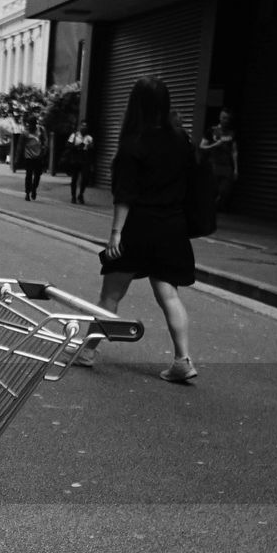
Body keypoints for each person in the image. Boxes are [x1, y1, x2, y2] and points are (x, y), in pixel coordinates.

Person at [74, 76, 198, 383]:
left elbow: (125, 195)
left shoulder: (133, 144)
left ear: (135, 105)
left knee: (111, 295)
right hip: (172, 227)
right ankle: (183, 359)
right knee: (168, 294)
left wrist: (116, 233)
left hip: (139, 228)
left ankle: (88, 352)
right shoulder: (181, 140)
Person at [199, 109, 238, 211]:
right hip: (214, 164)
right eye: (224, 118)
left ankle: (214, 206)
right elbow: (202, 146)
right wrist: (214, 145)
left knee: (225, 191)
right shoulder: (211, 130)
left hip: (227, 166)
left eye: (228, 118)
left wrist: (236, 169)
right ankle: (209, 209)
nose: (226, 120)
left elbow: (234, 151)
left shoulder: (231, 133)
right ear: (220, 118)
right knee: (212, 190)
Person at [18, 115, 47, 200]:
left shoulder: (41, 130)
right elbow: (20, 145)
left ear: (35, 124)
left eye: (33, 124)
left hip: (38, 157)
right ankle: (27, 193)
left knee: (37, 175)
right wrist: (18, 157)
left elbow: (45, 141)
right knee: (29, 175)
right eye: (30, 124)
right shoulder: (25, 133)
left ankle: (34, 189)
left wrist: (44, 149)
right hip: (29, 157)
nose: (31, 126)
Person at [66, 120, 94, 203]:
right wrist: (77, 146)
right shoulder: (74, 135)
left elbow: (92, 150)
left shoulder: (89, 138)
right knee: (74, 178)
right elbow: (68, 145)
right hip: (75, 158)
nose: (84, 127)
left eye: (85, 126)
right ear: (80, 127)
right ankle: (73, 196)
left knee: (85, 178)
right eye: (83, 126)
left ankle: (81, 194)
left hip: (85, 159)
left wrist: (89, 146)